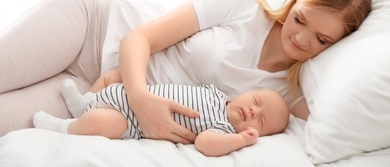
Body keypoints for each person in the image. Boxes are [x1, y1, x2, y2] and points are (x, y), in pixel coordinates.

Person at [0, 0, 372, 141]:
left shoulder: (287, 94)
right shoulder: (243, 6)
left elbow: (350, 116)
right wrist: (141, 98)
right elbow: (138, 37)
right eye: (300, 19)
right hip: (91, 28)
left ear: (336, 45)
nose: (301, 39)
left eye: (322, 40)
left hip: (97, 96)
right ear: (293, 1)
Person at [33, 69, 290, 156]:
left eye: (261, 120)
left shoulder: (223, 128)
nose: (253, 110)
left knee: (103, 122)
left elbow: (204, 144)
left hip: (130, 121)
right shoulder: (218, 93)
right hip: (132, 94)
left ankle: (63, 127)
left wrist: (240, 140)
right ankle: (84, 105)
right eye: (256, 100)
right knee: (114, 75)